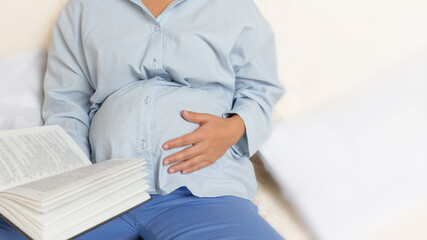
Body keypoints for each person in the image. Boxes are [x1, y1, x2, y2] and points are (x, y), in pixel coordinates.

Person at [0, 0, 285, 239]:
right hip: (99, 197)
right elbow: (67, 104)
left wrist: (234, 128)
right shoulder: (85, 8)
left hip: (205, 189)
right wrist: (73, 182)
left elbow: (261, 90)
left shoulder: (233, 7)